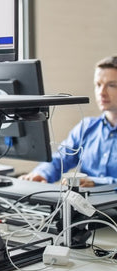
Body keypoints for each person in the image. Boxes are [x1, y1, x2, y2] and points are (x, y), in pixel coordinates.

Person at [21, 55, 117, 187]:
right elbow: (60, 159)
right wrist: (41, 173)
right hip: (85, 206)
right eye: (98, 85)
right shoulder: (87, 127)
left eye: (112, 85)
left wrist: (97, 183)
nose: (101, 92)